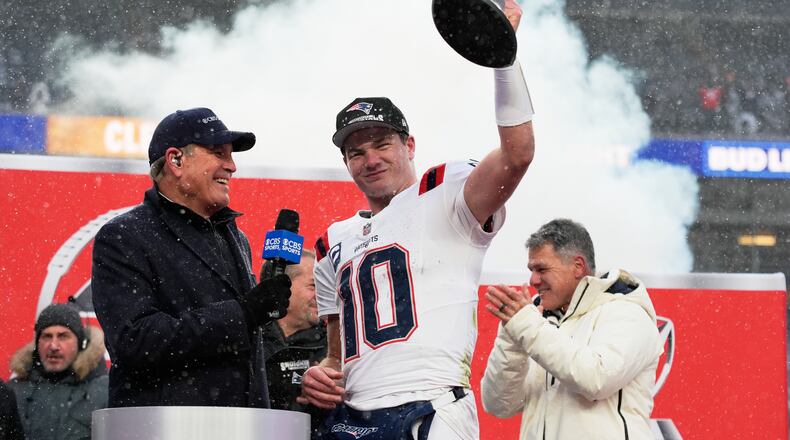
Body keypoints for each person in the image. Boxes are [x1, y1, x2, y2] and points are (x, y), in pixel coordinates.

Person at [299, 1, 535, 438]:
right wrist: (322, 373)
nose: (370, 159)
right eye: (356, 152)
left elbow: (517, 155)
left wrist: (506, 59)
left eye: (381, 143)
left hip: (431, 404)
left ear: (408, 144)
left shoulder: (443, 191)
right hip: (352, 420)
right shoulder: (333, 241)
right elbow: (337, 357)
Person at [91, 107, 292, 407]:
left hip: (243, 427)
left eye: (231, 155)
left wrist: (291, 377)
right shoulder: (124, 237)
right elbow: (134, 341)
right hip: (167, 427)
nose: (232, 166)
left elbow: (248, 346)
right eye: (218, 153)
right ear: (176, 160)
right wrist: (242, 314)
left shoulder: (236, 237)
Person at [480, 219, 663, 439]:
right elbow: (499, 405)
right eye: (531, 270)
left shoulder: (628, 313)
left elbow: (595, 379)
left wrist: (526, 325)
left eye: (542, 269)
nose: (533, 280)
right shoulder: (537, 322)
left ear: (577, 266)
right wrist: (512, 337)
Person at [8, 301, 108, 440]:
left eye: (63, 336)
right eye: (47, 336)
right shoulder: (12, 393)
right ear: (37, 344)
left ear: (80, 343)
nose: (53, 346)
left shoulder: (104, 392)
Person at [260, 250, 328, 434]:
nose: (322, 295)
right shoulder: (246, 339)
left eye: (325, 287)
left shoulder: (337, 348)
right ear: (283, 286)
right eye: (314, 286)